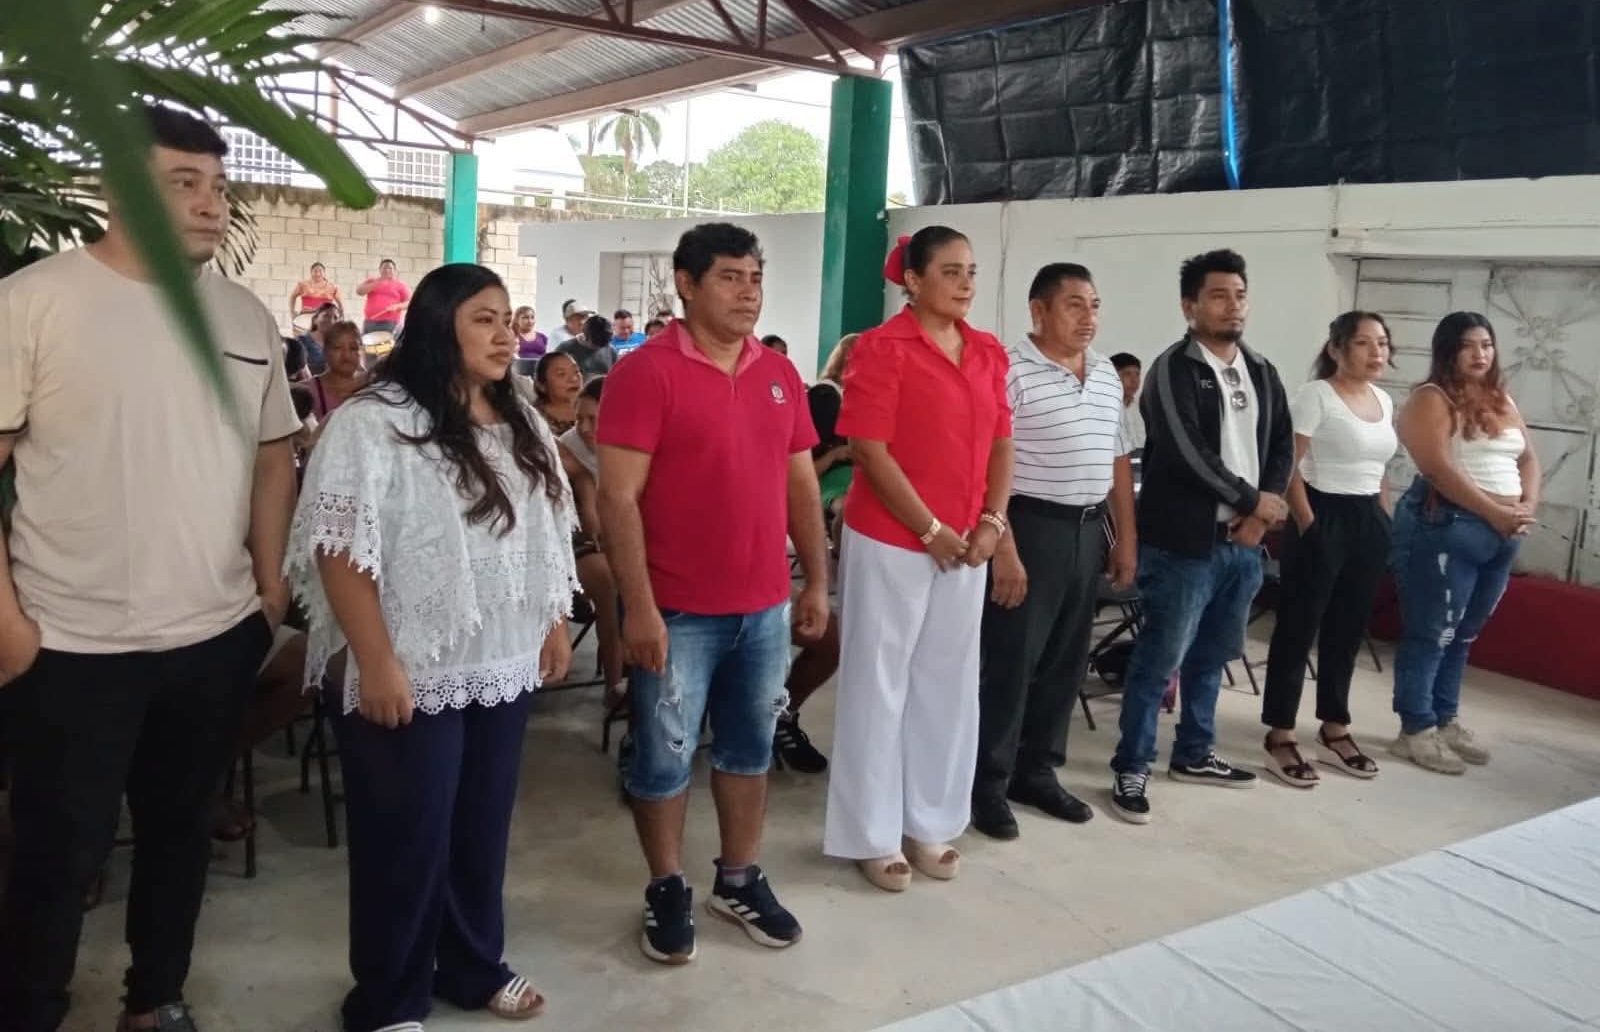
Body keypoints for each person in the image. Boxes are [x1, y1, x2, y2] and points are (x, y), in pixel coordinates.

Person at [0, 103, 299, 1032]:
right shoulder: (36, 301)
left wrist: (268, 584)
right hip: (69, 644)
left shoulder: (243, 313)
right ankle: (31, 1011)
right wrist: (5, 621)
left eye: (218, 186)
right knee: (58, 855)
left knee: (180, 839)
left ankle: (155, 999)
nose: (212, 205)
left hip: (212, 636)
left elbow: (273, 454)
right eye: (184, 183)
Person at [287, 263, 576, 1032]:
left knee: (480, 828)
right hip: (410, 663)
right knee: (406, 837)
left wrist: (550, 619)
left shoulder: (519, 416)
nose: (505, 335)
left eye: (507, 319)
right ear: (437, 326)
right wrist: (377, 659)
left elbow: (546, 528)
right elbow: (338, 547)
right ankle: (389, 998)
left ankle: (474, 965)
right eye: (484, 319)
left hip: (500, 658)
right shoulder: (374, 421)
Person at [597, 222, 828, 965]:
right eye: (730, 277)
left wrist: (816, 580)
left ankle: (738, 878)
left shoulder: (779, 373)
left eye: (755, 277)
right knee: (664, 758)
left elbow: (801, 485)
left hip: (763, 606)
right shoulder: (645, 374)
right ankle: (667, 884)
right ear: (686, 284)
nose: (748, 292)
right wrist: (639, 608)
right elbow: (617, 499)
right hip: (677, 612)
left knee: (749, 749)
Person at [823, 227, 1014, 892]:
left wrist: (992, 521)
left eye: (971, 271)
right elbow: (869, 450)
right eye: (950, 271)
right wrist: (928, 527)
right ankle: (870, 834)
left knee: (947, 683)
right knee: (879, 685)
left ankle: (928, 821)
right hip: (892, 539)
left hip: (965, 544)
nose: (965, 284)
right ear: (913, 279)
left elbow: (1001, 444)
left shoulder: (987, 352)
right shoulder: (881, 349)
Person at [1108, 249, 1293, 825]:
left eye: (1240, 295)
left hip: (1243, 544)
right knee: (1160, 659)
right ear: (1190, 306)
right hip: (1183, 545)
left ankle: (1194, 751)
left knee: (1214, 654)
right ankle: (1132, 764)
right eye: (1218, 295)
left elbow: (1281, 445)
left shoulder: (1261, 370)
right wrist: (1251, 501)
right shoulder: (1173, 370)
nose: (1232, 305)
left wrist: (1261, 512)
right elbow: (1189, 453)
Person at [973, 263, 1137, 840]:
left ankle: (1037, 771)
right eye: (1074, 305)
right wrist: (1005, 547)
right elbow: (987, 461)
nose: (1088, 317)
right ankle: (988, 784)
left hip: (1088, 529)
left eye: (1094, 305)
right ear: (1038, 310)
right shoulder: (1009, 370)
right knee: (1012, 662)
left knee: (1067, 662)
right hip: (1029, 527)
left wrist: (1125, 539)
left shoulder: (1107, 375)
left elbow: (1117, 460)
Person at [1388, 312, 1538, 774]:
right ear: (1448, 350)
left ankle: (1445, 717)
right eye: (1468, 345)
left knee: (1464, 632)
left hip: (1503, 531)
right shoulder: (1430, 398)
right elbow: (1437, 468)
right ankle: (1415, 727)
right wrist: (1493, 511)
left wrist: (1526, 506)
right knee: (1432, 631)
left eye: (1486, 345)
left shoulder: (1501, 398)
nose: (1479, 354)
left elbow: (1528, 458)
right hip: (1448, 525)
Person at [1261, 312, 1398, 787]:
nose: (1376, 352)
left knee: (1348, 627)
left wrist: (1383, 518)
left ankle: (1334, 726)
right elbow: (1288, 465)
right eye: (1364, 343)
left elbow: (1381, 466)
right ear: (1337, 349)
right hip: (1321, 513)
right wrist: (1308, 522)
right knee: (1299, 626)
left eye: (1382, 343)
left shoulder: (1383, 399)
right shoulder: (1316, 395)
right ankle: (1280, 732)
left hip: (1367, 517)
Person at [556, 376, 624, 700]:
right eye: (579, 418)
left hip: (625, 538)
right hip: (577, 542)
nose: (584, 428)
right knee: (611, 584)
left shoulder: (631, 445)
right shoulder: (568, 447)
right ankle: (615, 684)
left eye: (593, 419)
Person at [307, 320, 367, 422]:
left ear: (361, 351)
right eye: (337, 348)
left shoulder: (372, 388)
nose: (346, 355)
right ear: (325, 351)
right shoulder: (309, 391)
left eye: (353, 348)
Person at [532, 351, 583, 434]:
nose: (574, 378)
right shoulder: (534, 419)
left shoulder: (594, 406)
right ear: (542, 386)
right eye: (561, 374)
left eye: (576, 371)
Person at [555, 313, 618, 381]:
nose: (599, 348)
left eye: (603, 345)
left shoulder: (611, 351)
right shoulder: (565, 350)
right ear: (585, 336)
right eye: (595, 344)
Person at [356, 258, 410, 334]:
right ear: (380, 269)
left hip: (391, 323)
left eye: (390, 268)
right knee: (367, 341)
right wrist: (376, 284)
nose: (387, 270)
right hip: (370, 321)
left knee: (388, 342)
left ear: (394, 270)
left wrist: (397, 306)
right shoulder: (372, 281)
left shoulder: (401, 285)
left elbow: (409, 303)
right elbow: (359, 291)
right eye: (384, 268)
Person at [1111, 352, 1145, 453]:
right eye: (1127, 374)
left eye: (1137, 374)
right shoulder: (1104, 410)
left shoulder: (1144, 407)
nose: (1134, 380)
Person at [298, 301, 339, 375]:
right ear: (315, 320)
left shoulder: (339, 344)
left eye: (335, 318)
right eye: (326, 315)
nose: (331, 321)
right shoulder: (302, 341)